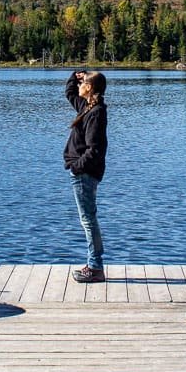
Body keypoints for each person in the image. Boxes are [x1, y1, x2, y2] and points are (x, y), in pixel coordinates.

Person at [63, 69, 108, 283]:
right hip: (82, 172)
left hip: (85, 173)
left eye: (83, 83)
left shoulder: (96, 112)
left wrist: (77, 167)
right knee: (88, 218)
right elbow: (70, 93)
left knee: (88, 220)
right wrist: (75, 76)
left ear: (89, 88)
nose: (79, 86)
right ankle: (93, 264)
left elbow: (95, 149)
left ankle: (95, 267)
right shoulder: (86, 107)